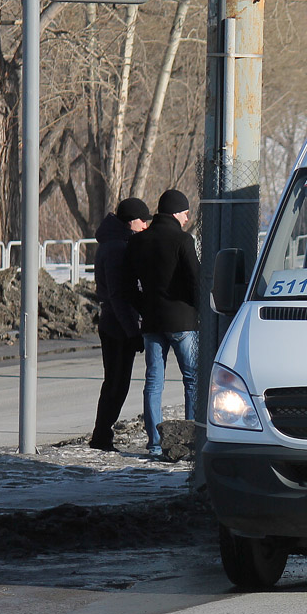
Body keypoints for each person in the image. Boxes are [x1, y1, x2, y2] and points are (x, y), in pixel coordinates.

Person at [124, 189, 200, 456]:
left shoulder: (138, 242)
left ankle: (155, 443)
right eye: (185, 212)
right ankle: (190, 441)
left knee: (154, 382)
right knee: (192, 380)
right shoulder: (182, 240)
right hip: (183, 322)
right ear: (175, 212)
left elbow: (127, 284)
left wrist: (143, 306)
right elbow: (195, 280)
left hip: (152, 322)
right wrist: (197, 309)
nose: (188, 217)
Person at [89, 198, 150, 452]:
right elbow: (117, 295)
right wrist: (132, 331)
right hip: (116, 326)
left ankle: (102, 435)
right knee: (115, 384)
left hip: (116, 323)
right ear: (130, 221)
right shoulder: (116, 247)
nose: (146, 225)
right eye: (142, 220)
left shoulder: (117, 242)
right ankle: (101, 436)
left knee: (116, 383)